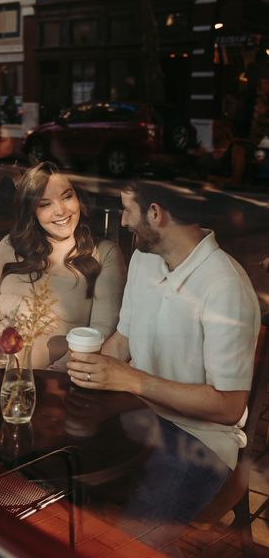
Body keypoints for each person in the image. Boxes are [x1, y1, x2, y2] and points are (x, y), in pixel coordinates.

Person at [67, 180, 260, 535]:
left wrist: (131, 380)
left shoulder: (226, 287)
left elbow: (229, 406)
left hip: (201, 441)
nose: (123, 221)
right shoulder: (145, 257)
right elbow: (124, 337)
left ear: (155, 213)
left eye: (127, 209)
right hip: (138, 416)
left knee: (132, 542)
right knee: (55, 480)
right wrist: (90, 375)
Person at [0, 161, 126, 369]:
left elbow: (102, 332)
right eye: (45, 204)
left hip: (54, 378)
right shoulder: (11, 244)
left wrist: (56, 375)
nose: (60, 211)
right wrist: (18, 305)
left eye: (67, 196)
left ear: (78, 198)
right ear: (32, 211)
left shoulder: (104, 253)